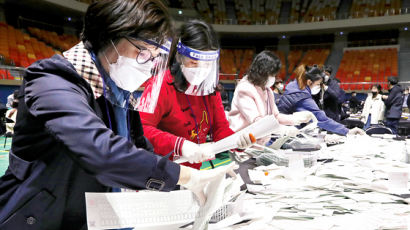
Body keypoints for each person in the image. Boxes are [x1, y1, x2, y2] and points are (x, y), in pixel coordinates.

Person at [0, 1, 235, 229]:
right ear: (110, 35)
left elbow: (140, 148)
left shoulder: (117, 90)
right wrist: (184, 176)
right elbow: (100, 151)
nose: (148, 63)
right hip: (38, 217)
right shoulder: (51, 80)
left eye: (154, 57)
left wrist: (178, 186)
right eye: (142, 51)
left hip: (90, 215)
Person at [140, 20, 253, 169]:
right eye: (193, 62)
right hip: (160, 170)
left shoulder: (209, 89)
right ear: (180, 57)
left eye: (207, 64)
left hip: (192, 171)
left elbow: (220, 129)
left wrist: (237, 141)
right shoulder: (159, 85)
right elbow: (141, 129)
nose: (201, 70)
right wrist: (179, 145)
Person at [227, 51, 314, 145]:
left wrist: (296, 119)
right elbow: (258, 122)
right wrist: (284, 130)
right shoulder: (245, 89)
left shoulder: (267, 90)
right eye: (272, 75)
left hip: (260, 143)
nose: (274, 78)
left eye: (274, 75)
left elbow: (275, 116)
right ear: (262, 72)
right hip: (242, 144)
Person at [277, 65, 365, 136]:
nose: (319, 87)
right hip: (283, 134)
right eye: (318, 84)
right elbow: (322, 120)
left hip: (280, 129)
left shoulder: (293, 85)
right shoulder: (302, 96)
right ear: (309, 82)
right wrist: (347, 131)